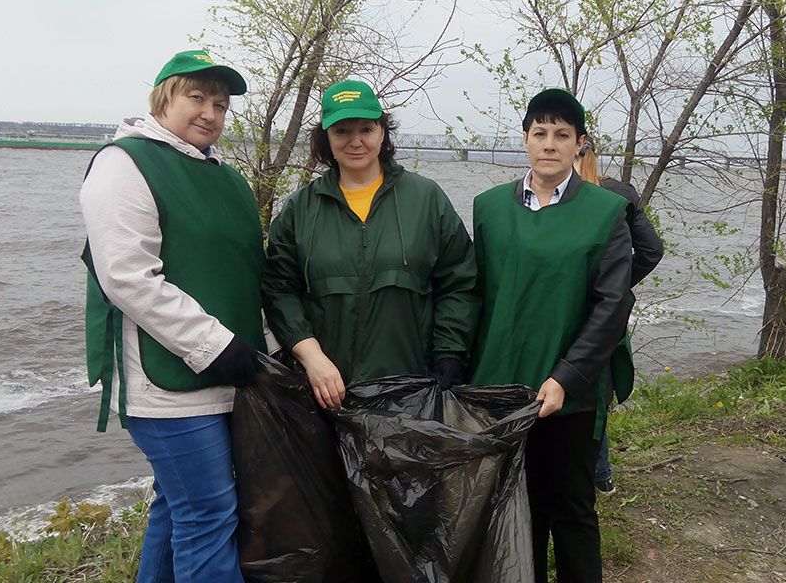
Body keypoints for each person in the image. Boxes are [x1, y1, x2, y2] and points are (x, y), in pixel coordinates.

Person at [80, 50, 265, 582]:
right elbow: (127, 276)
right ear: (164, 97)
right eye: (197, 97)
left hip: (230, 375)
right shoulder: (124, 163)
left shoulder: (225, 178)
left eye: (221, 104)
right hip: (167, 386)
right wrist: (215, 345)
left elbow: (244, 269)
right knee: (208, 514)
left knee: (177, 505)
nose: (210, 112)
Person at [469, 88, 634, 583]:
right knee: (520, 514)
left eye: (562, 134)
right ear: (525, 140)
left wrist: (567, 376)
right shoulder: (490, 207)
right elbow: (472, 293)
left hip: (572, 395)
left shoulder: (606, 212)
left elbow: (612, 307)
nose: (549, 143)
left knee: (572, 512)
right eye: (539, 133)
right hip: (502, 388)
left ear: (579, 144)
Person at [262, 79, 480, 410]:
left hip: (410, 392)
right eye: (342, 131)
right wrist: (311, 356)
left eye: (366, 128)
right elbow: (278, 289)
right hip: (325, 392)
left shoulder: (426, 199)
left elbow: (460, 282)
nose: (356, 141)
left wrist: (449, 353)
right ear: (326, 139)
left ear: (382, 132)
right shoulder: (300, 209)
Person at [575, 139, 664, 495]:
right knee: (597, 388)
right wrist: (616, 287)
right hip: (607, 312)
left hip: (566, 309)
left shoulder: (565, 197)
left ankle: (584, 471)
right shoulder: (619, 192)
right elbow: (651, 250)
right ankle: (600, 473)